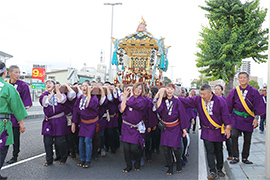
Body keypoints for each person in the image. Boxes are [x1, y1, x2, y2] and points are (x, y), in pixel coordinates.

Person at [179, 84, 231, 179]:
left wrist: (228, 128)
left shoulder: (220, 101)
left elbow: (226, 115)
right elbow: (186, 101)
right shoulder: (198, 100)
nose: (202, 96)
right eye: (201, 94)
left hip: (218, 130)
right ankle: (212, 171)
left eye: (204, 94)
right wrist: (173, 97)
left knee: (218, 150)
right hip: (206, 130)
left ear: (210, 93)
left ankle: (219, 169)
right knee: (209, 151)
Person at [226, 72, 265, 165]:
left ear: (248, 79)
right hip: (236, 118)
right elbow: (228, 106)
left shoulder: (254, 91)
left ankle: (245, 157)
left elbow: (258, 105)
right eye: (240, 78)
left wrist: (256, 118)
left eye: (244, 78)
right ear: (238, 79)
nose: (242, 79)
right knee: (234, 135)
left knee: (247, 139)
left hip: (249, 119)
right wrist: (227, 120)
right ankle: (235, 156)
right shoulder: (234, 91)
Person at [154, 83, 189, 175]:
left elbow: (182, 114)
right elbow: (157, 110)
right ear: (165, 90)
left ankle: (178, 162)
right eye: (167, 88)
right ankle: (169, 166)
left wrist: (184, 129)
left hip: (175, 127)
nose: (169, 90)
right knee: (166, 149)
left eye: (171, 89)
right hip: (166, 127)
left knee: (176, 148)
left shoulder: (178, 101)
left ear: (174, 91)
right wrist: (160, 96)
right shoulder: (163, 100)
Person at [0, 62, 27, 179]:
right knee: (2, 148)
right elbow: (16, 105)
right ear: (5, 72)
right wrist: (21, 122)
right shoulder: (7, 87)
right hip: (2, 122)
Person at [6, 65, 32, 164]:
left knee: (15, 137)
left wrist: (19, 113)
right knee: (3, 137)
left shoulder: (23, 85)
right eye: (15, 72)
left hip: (15, 116)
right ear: (9, 73)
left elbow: (27, 103)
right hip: (4, 116)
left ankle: (15, 155)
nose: (18, 75)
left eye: (19, 72)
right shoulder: (4, 84)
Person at [39, 79, 68, 166]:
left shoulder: (61, 93)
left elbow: (62, 100)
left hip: (60, 120)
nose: (48, 84)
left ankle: (63, 157)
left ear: (54, 85)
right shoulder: (43, 95)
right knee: (47, 142)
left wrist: (57, 90)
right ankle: (49, 160)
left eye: (50, 83)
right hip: (49, 120)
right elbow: (45, 103)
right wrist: (51, 93)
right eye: (46, 83)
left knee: (60, 141)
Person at [120, 82, 147, 173]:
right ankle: (128, 165)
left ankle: (138, 160)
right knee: (126, 148)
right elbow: (122, 109)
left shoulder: (142, 100)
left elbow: (134, 104)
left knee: (134, 148)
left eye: (140, 89)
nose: (138, 90)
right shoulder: (127, 98)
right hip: (126, 126)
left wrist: (130, 95)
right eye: (136, 88)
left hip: (136, 127)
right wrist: (124, 96)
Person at [72, 81, 99, 168]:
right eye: (82, 86)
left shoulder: (94, 98)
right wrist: (74, 123)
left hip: (91, 122)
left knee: (88, 141)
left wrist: (89, 95)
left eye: (86, 86)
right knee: (81, 141)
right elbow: (75, 111)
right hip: (83, 122)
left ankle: (88, 160)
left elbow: (89, 105)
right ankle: (82, 158)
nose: (84, 88)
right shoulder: (79, 98)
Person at [214, 84, 233, 161]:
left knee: (228, 139)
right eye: (215, 89)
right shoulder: (212, 100)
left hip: (224, 123)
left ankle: (230, 155)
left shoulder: (225, 100)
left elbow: (229, 111)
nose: (217, 91)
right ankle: (218, 156)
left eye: (218, 89)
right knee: (218, 141)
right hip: (216, 124)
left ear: (222, 91)